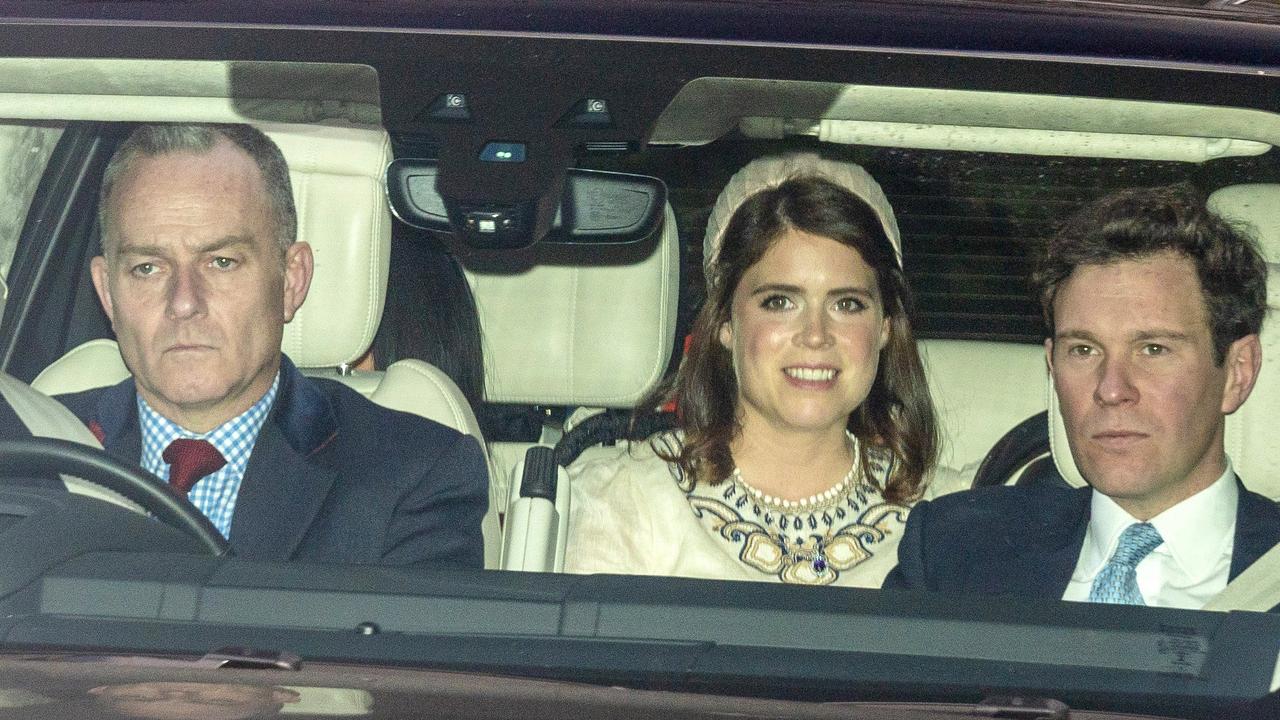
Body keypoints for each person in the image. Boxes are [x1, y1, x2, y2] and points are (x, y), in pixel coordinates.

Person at [55, 123, 487, 568]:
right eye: (148, 268)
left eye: (221, 262)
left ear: (291, 281)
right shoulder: (28, 444)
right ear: (107, 293)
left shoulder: (412, 474)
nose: (184, 303)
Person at [883, 184, 1280, 608]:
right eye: (1084, 350)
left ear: (1237, 373)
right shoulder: (955, 550)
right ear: (1052, 366)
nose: (1111, 389)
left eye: (1153, 349)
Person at [565, 154, 938, 586]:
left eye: (847, 304)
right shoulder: (623, 498)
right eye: (779, 302)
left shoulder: (946, 515)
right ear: (725, 323)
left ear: (885, 329)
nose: (815, 335)